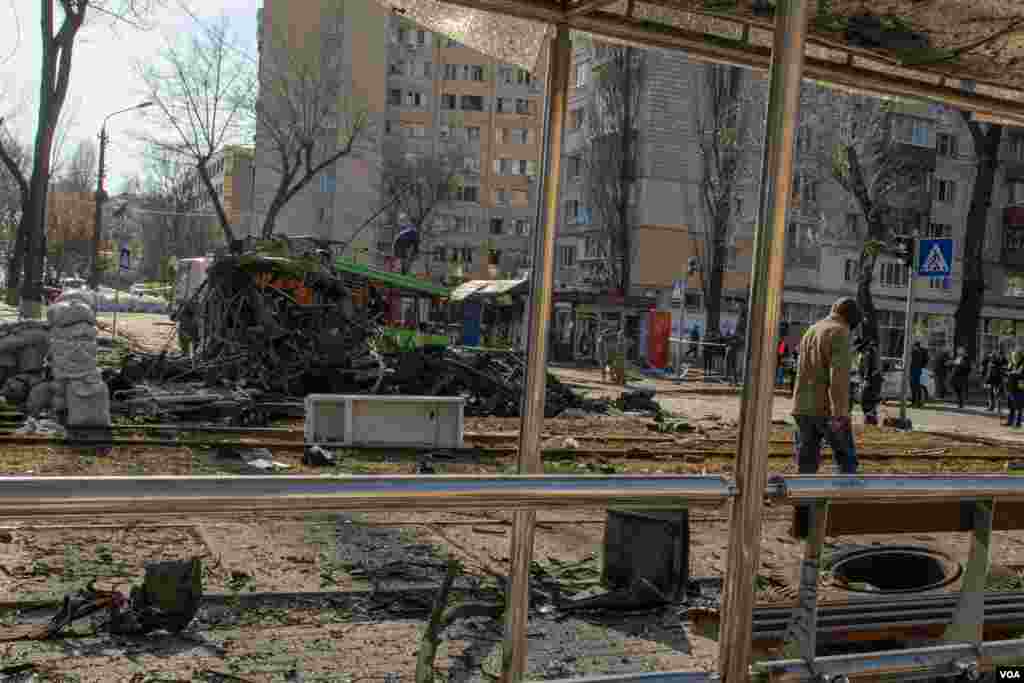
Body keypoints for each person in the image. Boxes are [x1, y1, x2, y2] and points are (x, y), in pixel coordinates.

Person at [792, 297, 860, 476]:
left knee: (806, 463)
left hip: (802, 407)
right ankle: (843, 500)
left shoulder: (812, 329)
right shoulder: (840, 332)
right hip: (827, 410)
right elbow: (838, 378)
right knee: (846, 461)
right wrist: (839, 414)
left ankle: (803, 502)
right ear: (851, 319)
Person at [1006, 351, 1024, 428]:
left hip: (1019, 388)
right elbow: (1009, 371)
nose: (1014, 357)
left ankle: (1018, 423)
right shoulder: (1012, 364)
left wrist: (1010, 373)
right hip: (1011, 387)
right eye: (1013, 356)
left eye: (1015, 356)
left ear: (1019, 356)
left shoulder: (1022, 363)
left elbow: (1018, 373)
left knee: (1018, 406)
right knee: (1011, 406)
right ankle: (1010, 421)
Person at [909, 341, 929, 408]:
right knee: (916, 387)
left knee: (915, 387)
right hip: (917, 371)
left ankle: (916, 402)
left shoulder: (916, 352)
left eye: (913, 346)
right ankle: (916, 402)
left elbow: (913, 363)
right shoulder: (919, 352)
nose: (912, 347)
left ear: (915, 346)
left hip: (915, 371)